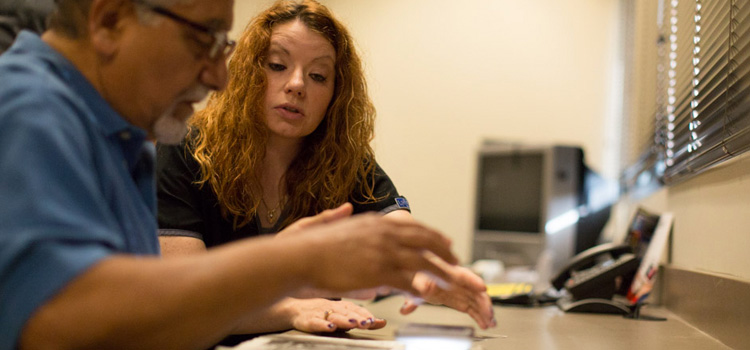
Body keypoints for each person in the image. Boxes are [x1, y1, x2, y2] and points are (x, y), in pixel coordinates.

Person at [0, 0, 481, 349]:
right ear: (108, 20)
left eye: (222, 47)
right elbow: (59, 319)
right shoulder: (29, 111)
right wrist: (291, 265)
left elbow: (156, 321)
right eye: (201, 40)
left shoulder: (123, 136)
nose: (219, 76)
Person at [156, 0, 495, 339]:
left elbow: (399, 238)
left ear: (336, 93)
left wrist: (423, 274)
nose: (297, 84)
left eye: (318, 75)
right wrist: (291, 309)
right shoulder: (186, 149)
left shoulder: (343, 159)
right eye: (277, 65)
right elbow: (184, 300)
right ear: (246, 72)